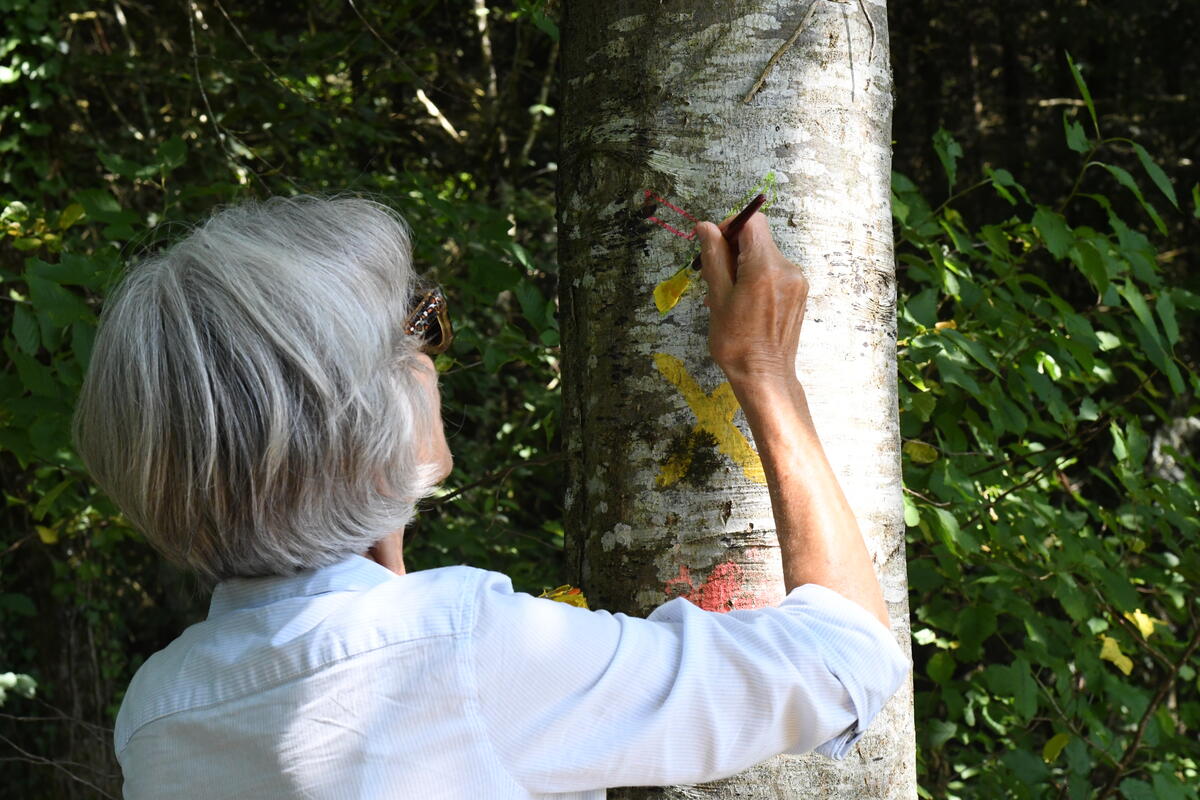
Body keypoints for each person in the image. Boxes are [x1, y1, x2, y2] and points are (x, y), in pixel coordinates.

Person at [73, 196, 908, 799]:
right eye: (419, 327)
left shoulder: (159, 712)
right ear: (361, 424)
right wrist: (763, 369)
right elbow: (847, 663)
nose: (432, 355)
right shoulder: (457, 649)